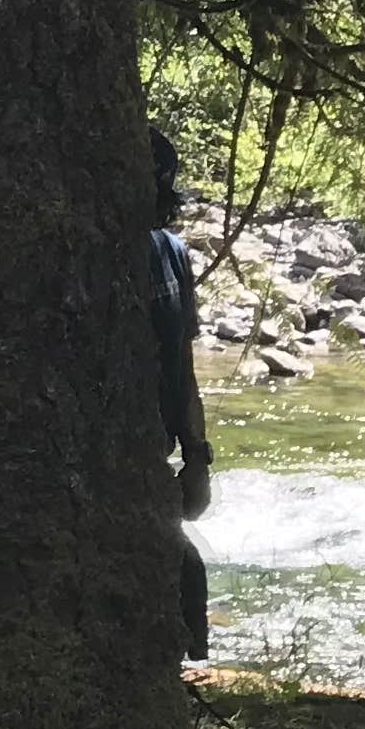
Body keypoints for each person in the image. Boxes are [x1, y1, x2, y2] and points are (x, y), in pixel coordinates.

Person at [151, 131, 214, 660]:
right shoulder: (86, 254)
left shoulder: (172, 254)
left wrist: (198, 457)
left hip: (157, 455)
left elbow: (185, 368)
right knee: (180, 571)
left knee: (186, 576)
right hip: (111, 458)